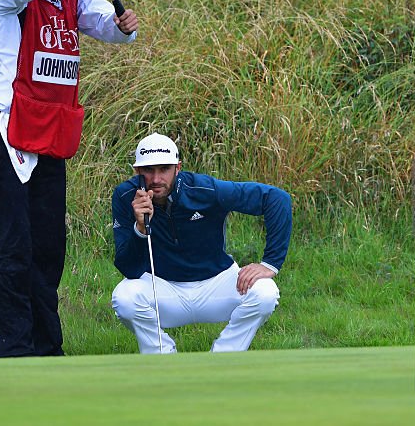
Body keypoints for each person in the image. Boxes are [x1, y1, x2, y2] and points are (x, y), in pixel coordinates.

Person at [0, 0, 139, 358]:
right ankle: (13, 352)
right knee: (10, 249)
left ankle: (47, 351)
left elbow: (107, 25)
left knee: (47, 249)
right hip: (2, 128)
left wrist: (123, 26)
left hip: (47, 131)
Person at [111, 133, 292, 353]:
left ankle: (224, 356)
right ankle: (162, 357)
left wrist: (270, 263)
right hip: (162, 287)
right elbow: (128, 267)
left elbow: (276, 198)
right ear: (137, 171)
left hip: (216, 283)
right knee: (124, 298)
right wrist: (140, 228)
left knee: (265, 292)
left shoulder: (205, 190)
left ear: (177, 168)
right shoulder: (125, 196)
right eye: (149, 170)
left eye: (164, 169)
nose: (157, 178)